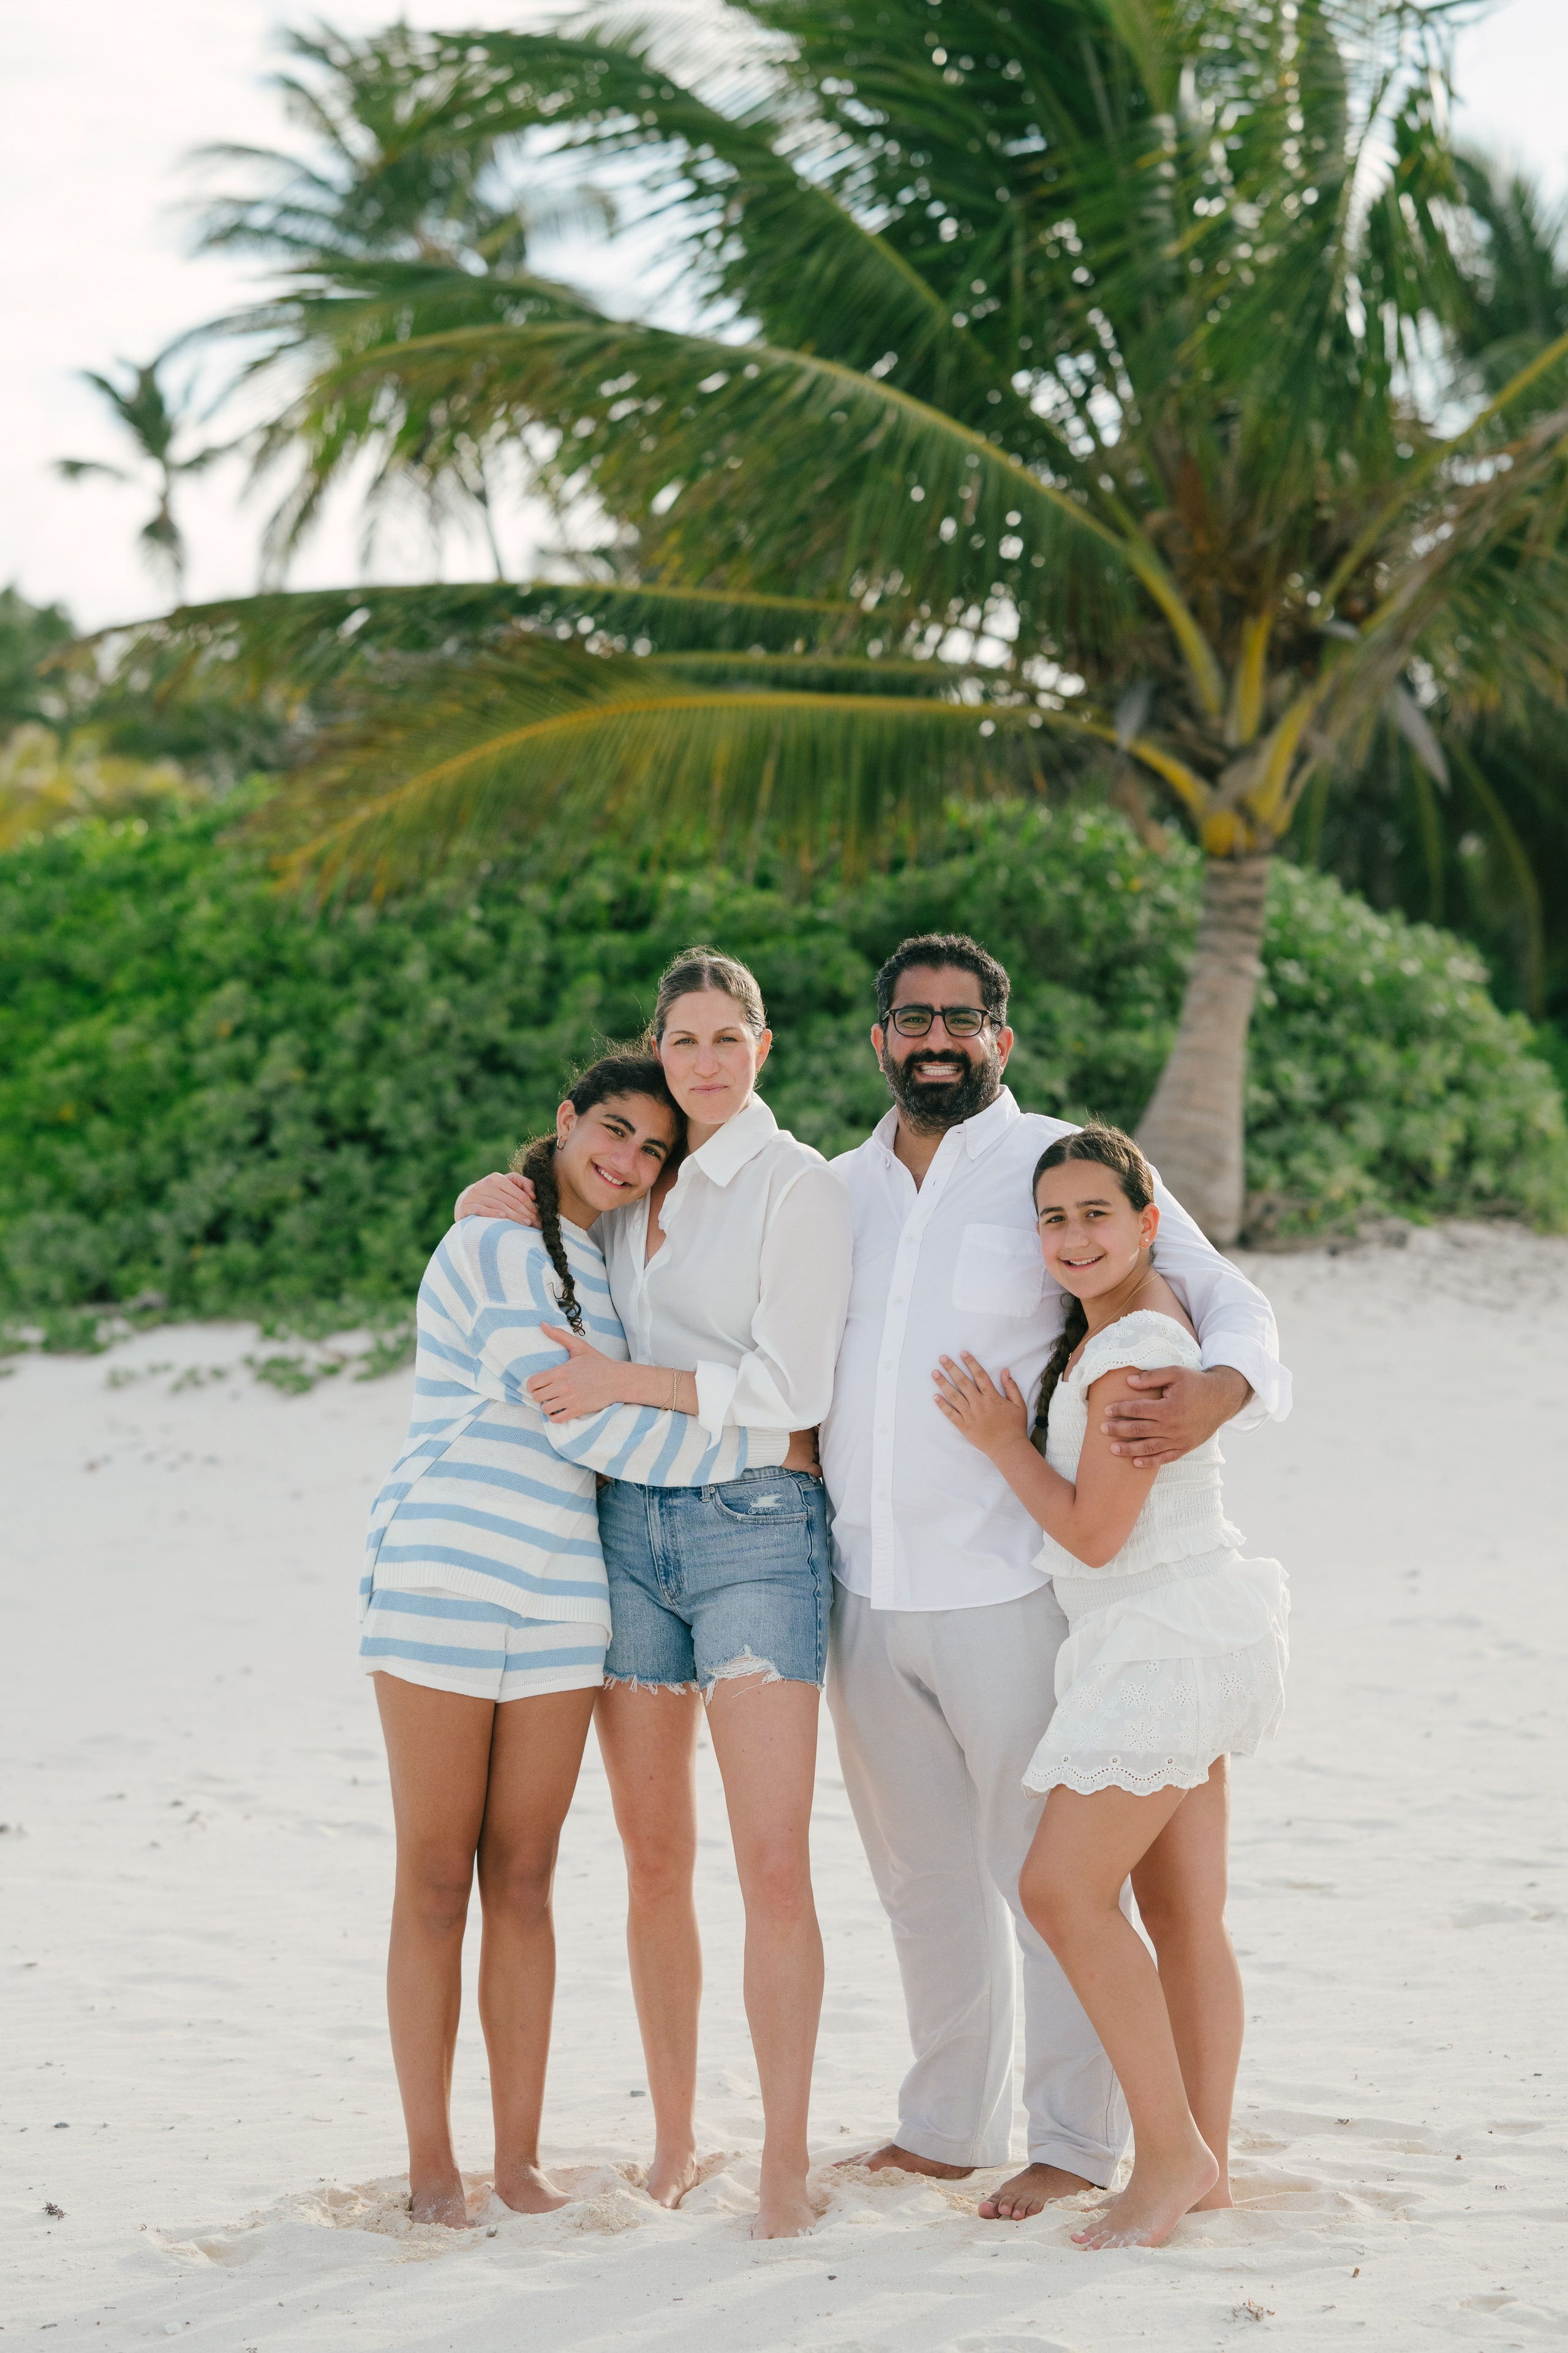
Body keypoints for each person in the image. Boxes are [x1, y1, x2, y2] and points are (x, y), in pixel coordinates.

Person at [821, 932, 1291, 2221]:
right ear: (878, 1039)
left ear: (998, 1039)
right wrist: (512, 1195)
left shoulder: (1051, 1170)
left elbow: (1215, 1290)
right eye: (911, 1017)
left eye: (959, 1019)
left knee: (1044, 1878)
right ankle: (938, 2125)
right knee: (920, 1882)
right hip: (861, 1584)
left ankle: (1078, 2141)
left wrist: (1220, 1389)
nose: (933, 1037)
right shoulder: (834, 1187)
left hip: (1013, 1589)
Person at [453, 948, 854, 2239]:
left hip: (755, 1528)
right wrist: (493, 1193)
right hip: (627, 1529)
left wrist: (628, 1387)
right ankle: (679, 2136)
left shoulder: (799, 1188)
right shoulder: (642, 1193)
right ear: (659, 1049)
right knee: (651, 1857)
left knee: (773, 1859)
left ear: (762, 1045)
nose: (704, 1062)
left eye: (726, 1038)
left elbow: (793, 1393)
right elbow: (559, 1208)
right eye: (682, 1041)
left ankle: (784, 2158)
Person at [362, 1052, 764, 2229]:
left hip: (560, 1597)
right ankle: (435, 2170)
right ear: (566, 1120)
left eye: (652, 1150)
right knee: (437, 1877)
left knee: (526, 1877)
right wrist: (767, 1447)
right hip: (445, 1575)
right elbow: (586, 1416)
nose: (628, 1160)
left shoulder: (608, 1263)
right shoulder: (492, 1242)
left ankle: (517, 2163)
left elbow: (633, 1386)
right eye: (613, 1132)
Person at [932, 1123, 1288, 2248]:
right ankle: (1208, 2168)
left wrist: (1000, 1440)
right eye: (1054, 1218)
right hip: (1194, 1622)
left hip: (1160, 1637)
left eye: (1097, 1214)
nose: (1074, 1236)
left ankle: (1171, 2152)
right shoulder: (1140, 1326)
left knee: (1060, 1892)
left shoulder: (1135, 1342)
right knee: (1184, 1914)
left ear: (1148, 1223)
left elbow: (1092, 1535)